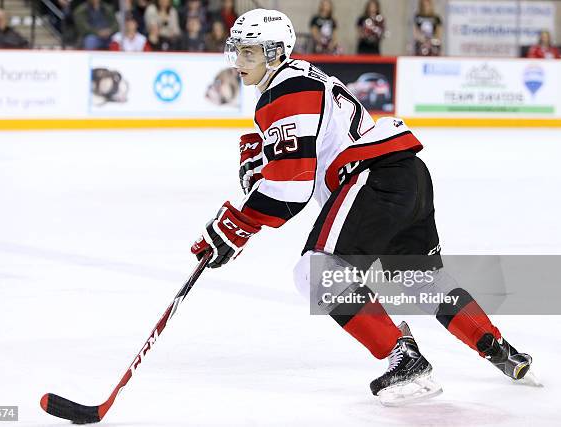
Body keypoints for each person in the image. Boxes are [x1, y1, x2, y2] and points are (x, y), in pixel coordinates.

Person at [190, 8, 535, 405]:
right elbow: (294, 172)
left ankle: (404, 358)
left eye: (249, 53)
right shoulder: (303, 78)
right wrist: (259, 175)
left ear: (275, 53)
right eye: (236, 52)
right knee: (421, 280)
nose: (238, 63)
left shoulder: (285, 87)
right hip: (406, 175)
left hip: (372, 178)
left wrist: (232, 227)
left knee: (316, 273)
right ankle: (498, 349)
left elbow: (290, 192)